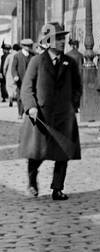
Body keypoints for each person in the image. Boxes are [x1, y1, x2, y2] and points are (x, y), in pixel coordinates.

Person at [20, 22, 82, 200]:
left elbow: (78, 87)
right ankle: (32, 182)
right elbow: (27, 88)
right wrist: (31, 106)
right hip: (41, 116)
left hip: (63, 116)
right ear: (49, 41)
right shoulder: (37, 61)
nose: (63, 41)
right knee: (36, 153)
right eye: (59, 38)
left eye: (63, 38)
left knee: (63, 153)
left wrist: (73, 104)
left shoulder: (69, 63)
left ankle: (57, 188)